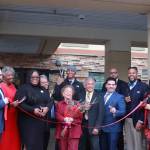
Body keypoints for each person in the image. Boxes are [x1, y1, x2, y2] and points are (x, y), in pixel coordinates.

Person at [15, 70, 52, 150]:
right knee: (29, 145)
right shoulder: (23, 89)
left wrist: (47, 108)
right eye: (33, 77)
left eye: (37, 77)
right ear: (29, 77)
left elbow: (50, 101)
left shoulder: (42, 89)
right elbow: (20, 104)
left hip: (40, 123)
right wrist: (33, 110)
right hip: (28, 123)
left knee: (39, 145)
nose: (35, 79)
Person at [101, 68, 128, 150]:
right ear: (106, 85)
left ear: (115, 86)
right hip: (101, 127)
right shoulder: (100, 95)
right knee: (102, 147)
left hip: (113, 128)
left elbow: (123, 112)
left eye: (113, 85)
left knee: (112, 148)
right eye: (109, 84)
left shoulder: (120, 97)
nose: (111, 86)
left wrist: (115, 111)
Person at [124, 67, 149, 150]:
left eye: (133, 73)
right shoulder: (125, 86)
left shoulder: (144, 86)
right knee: (129, 143)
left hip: (138, 119)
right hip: (127, 119)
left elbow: (145, 104)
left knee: (138, 144)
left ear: (137, 74)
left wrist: (141, 120)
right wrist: (125, 100)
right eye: (129, 73)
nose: (131, 75)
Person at [79, 77, 104, 150]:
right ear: (85, 85)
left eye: (92, 84)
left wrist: (97, 127)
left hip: (94, 126)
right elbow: (76, 110)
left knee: (95, 146)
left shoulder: (99, 95)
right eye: (88, 84)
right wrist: (82, 108)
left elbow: (101, 113)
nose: (90, 86)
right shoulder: (80, 95)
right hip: (82, 125)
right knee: (82, 146)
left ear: (94, 85)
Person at [55, 85, 83, 150]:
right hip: (62, 132)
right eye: (66, 91)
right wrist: (64, 119)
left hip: (74, 132)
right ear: (63, 93)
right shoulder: (59, 104)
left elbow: (80, 119)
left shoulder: (77, 104)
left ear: (72, 93)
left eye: (70, 91)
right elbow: (57, 115)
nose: (68, 93)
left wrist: (72, 120)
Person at [0, 66, 21, 150]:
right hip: (5, 118)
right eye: (8, 75)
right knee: (6, 138)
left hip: (14, 116)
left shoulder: (13, 86)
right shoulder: (1, 87)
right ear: (3, 76)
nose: (11, 77)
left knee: (14, 137)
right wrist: (11, 105)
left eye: (12, 75)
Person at [40, 74, 54, 150]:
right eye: (43, 82)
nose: (45, 84)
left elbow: (51, 102)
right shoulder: (37, 92)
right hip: (39, 123)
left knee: (46, 142)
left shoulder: (49, 93)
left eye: (46, 82)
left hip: (47, 123)